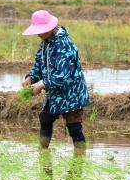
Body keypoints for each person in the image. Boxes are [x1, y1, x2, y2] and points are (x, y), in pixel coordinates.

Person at [21, 10, 90, 152]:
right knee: (45, 119)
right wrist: (31, 77)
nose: (39, 34)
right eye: (38, 31)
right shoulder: (45, 43)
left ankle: (81, 154)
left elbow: (64, 75)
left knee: (74, 127)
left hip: (72, 93)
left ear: (51, 28)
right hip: (55, 94)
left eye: (42, 31)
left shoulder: (64, 44)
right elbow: (40, 66)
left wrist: (42, 85)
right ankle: (43, 151)